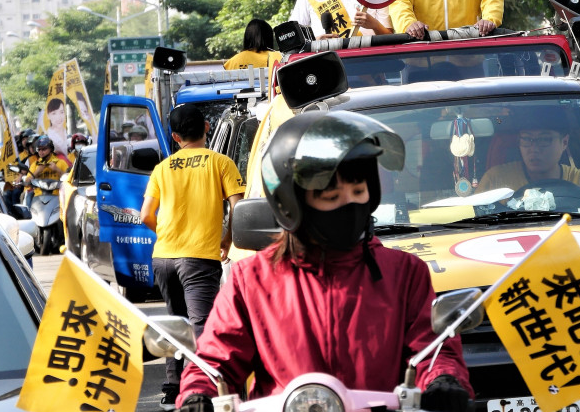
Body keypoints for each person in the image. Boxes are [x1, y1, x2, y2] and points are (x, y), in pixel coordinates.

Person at [175, 111, 472, 412]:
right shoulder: (250, 280)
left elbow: (433, 349)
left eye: (358, 191)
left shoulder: (405, 273)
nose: (349, 204)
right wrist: (197, 394)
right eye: (332, 197)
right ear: (292, 203)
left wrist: (443, 379)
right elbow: (215, 360)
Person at [139, 104, 246, 410]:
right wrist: (227, 238)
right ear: (207, 128)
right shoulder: (221, 163)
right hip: (199, 257)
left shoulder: (163, 168)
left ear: (174, 136)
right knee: (201, 325)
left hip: (163, 257)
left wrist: (166, 235)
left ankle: (173, 388)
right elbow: (238, 207)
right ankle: (199, 391)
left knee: (176, 322)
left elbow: (147, 214)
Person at [475, 110, 580, 194]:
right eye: (527, 139)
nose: (534, 149)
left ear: (564, 142)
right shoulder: (495, 180)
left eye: (544, 139)